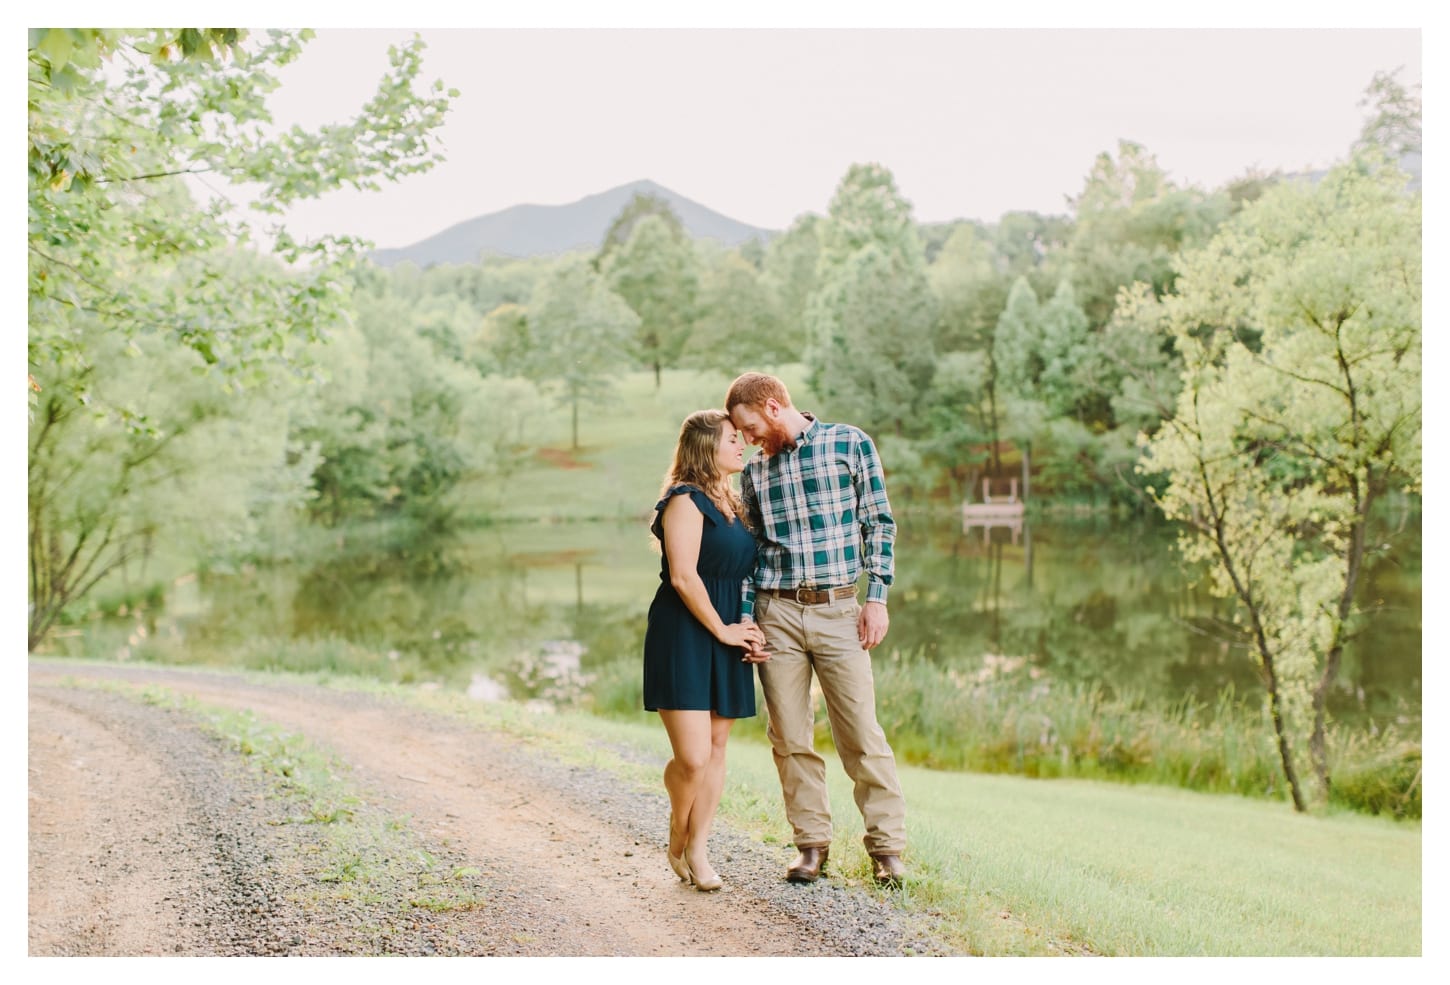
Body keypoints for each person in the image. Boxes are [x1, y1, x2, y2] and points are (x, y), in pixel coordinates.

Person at [724, 372, 908, 888]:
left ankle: (887, 849)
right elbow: (750, 551)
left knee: (861, 733)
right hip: (776, 612)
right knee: (789, 735)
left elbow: (880, 524)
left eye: (752, 426)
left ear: (774, 404)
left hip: (839, 610)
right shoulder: (755, 473)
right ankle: (811, 846)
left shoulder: (849, 443)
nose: (750, 439)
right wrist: (745, 617)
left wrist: (877, 598)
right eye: (742, 432)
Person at [642, 409, 770, 892]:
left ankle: (699, 849)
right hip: (685, 632)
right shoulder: (684, 501)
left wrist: (748, 627)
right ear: (705, 448)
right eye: (733, 439)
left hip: (727, 630)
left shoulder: (734, 505)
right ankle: (679, 831)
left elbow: (743, 577)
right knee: (693, 757)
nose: (743, 445)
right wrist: (722, 630)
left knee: (717, 749)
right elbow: (683, 576)